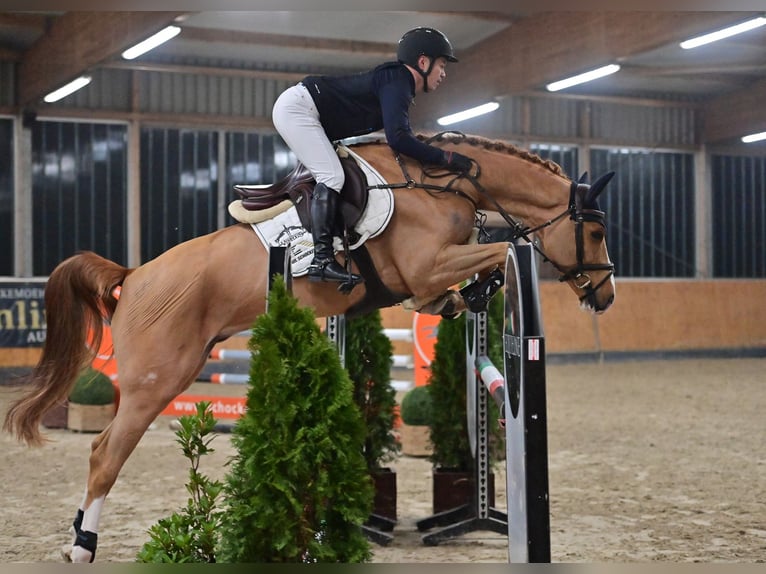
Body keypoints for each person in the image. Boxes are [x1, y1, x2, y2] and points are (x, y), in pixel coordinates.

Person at [272, 26, 474, 287]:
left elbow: (397, 138)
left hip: (307, 111)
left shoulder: (398, 83)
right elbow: (399, 138)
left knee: (337, 173)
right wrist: (446, 158)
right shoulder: (398, 80)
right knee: (332, 176)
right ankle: (321, 259)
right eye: (442, 65)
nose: (444, 73)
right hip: (299, 109)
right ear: (423, 62)